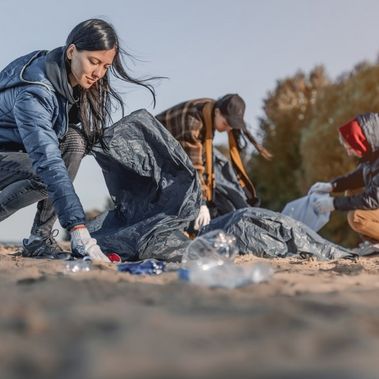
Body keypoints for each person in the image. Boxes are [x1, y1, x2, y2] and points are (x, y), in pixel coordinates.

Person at [0, 18, 156, 260]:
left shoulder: (67, 82)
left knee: (74, 140)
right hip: (7, 154)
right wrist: (77, 227)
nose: (98, 73)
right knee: (47, 171)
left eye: (105, 67)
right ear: (72, 51)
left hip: (17, 153)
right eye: (94, 62)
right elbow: (47, 159)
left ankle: (39, 237)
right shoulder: (35, 92)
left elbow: (71, 143)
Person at [156, 94, 271, 231]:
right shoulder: (193, 122)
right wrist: (201, 203)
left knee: (218, 165)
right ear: (217, 112)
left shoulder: (210, 110)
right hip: (155, 153)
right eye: (226, 123)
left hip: (174, 153)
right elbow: (193, 166)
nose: (228, 129)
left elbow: (204, 159)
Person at [310, 113, 379, 246]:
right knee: (352, 190)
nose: (348, 153)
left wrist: (333, 203)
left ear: (361, 140)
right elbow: (357, 177)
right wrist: (331, 186)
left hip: (376, 199)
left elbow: (373, 199)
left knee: (356, 217)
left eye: (350, 148)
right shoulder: (372, 155)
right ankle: (375, 242)